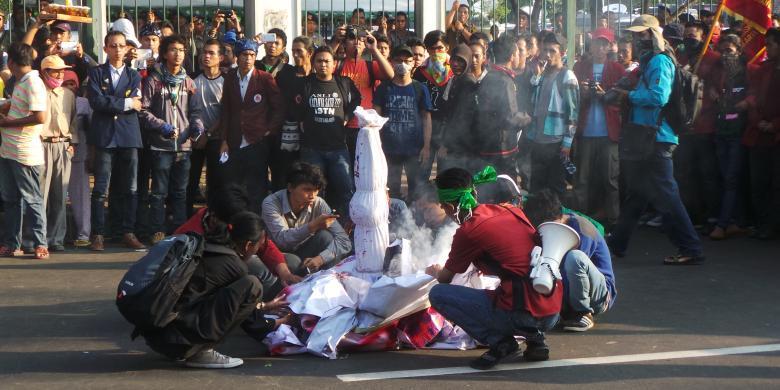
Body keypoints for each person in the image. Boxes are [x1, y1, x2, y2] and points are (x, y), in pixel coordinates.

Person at [426, 167, 560, 370]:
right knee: (513, 288)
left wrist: (435, 271)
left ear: (451, 207)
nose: (445, 212)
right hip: (552, 310)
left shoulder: (469, 230)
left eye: (444, 206)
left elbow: (445, 278)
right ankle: (535, 340)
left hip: (522, 312)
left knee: (438, 294)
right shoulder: (510, 209)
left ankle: (500, 342)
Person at [607, 15, 704, 265]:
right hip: (648, 135)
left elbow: (658, 96)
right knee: (638, 193)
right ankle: (617, 243)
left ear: (652, 34)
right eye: (636, 34)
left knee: (666, 194)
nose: (637, 39)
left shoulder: (660, 61)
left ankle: (691, 247)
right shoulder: (650, 61)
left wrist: (629, 96)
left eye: (642, 34)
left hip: (657, 137)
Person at [142, 211, 266, 369]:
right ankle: (201, 351)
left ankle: (187, 348)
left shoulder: (203, 245)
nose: (257, 251)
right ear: (248, 245)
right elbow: (246, 317)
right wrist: (272, 323)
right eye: (258, 246)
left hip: (155, 334)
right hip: (176, 340)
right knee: (253, 285)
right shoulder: (235, 266)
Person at [175, 184, 302, 300]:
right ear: (215, 218)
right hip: (206, 290)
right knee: (260, 274)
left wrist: (285, 274)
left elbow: (263, 244)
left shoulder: (234, 219)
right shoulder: (189, 237)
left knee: (292, 261)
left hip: (235, 262)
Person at [138, 35, 204, 244]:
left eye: (182, 50)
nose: (178, 54)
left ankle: (179, 232)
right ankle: (157, 230)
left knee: (180, 193)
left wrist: (197, 126)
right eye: (174, 50)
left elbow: (195, 111)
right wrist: (162, 126)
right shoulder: (154, 80)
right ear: (165, 53)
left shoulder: (189, 82)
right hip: (161, 146)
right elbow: (144, 110)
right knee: (158, 192)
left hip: (184, 147)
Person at [86, 31, 147, 251]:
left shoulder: (134, 75)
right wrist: (126, 103)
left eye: (122, 46)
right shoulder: (96, 73)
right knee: (101, 188)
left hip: (129, 136)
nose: (118, 50)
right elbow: (97, 102)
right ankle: (98, 234)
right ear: (106, 49)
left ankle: (127, 232)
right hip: (104, 136)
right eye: (113, 46)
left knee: (130, 187)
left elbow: (138, 102)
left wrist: (124, 102)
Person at [524, 190, 617, 332]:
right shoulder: (542, 230)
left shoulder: (582, 230)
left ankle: (582, 312)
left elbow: (572, 275)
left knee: (574, 258)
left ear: (559, 217)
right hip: (568, 289)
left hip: (599, 295)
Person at [218, 39, 285, 214]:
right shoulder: (230, 77)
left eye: (252, 55)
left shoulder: (264, 78)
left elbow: (278, 107)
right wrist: (224, 140)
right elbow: (226, 109)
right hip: (234, 140)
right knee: (235, 186)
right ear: (237, 57)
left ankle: (256, 225)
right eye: (244, 55)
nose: (248, 58)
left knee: (257, 187)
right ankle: (237, 223)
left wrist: (269, 129)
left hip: (257, 140)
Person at [295, 45, 360, 216]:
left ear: (334, 64)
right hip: (312, 149)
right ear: (313, 63)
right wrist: (301, 118)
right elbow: (296, 104)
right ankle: (315, 226)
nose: (323, 64)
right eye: (319, 61)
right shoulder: (305, 84)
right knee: (313, 192)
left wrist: (347, 115)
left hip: (338, 148)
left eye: (326, 61)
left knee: (347, 190)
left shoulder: (344, 83)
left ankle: (348, 226)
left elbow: (357, 99)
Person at [0, 43, 50, 259]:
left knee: (32, 199)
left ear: (11, 62)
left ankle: (41, 243)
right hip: (8, 151)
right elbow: (18, 105)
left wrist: (7, 123)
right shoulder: (22, 82)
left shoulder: (33, 82)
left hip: (25, 152)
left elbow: (40, 117)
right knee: (11, 200)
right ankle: (13, 244)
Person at [572, 28, 624, 226]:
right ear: (591, 45)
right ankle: (578, 219)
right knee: (581, 179)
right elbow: (572, 97)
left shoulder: (617, 69)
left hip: (609, 133)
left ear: (609, 46)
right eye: (597, 43)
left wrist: (605, 94)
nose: (600, 48)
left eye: (604, 44)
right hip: (585, 132)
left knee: (610, 180)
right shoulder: (579, 67)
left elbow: (623, 101)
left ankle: (613, 221)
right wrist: (582, 92)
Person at [262, 162, 352, 275]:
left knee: (325, 237)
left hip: (306, 253)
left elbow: (344, 242)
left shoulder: (318, 203)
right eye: (307, 190)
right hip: (278, 257)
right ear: (290, 187)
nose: (312, 195)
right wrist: (313, 226)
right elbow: (282, 240)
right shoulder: (271, 203)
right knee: (294, 262)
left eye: (316, 190)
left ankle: (329, 284)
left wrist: (320, 259)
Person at [674, 20, 721, 228]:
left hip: (705, 125)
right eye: (687, 36)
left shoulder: (713, 59)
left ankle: (711, 214)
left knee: (707, 173)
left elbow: (719, 90)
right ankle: (690, 214)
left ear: (704, 37)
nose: (689, 39)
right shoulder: (681, 59)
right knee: (685, 172)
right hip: (685, 127)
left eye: (693, 36)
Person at [374, 45, 433, 200]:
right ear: (391, 62)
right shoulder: (383, 88)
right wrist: (376, 144)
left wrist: (426, 146)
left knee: (416, 190)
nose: (403, 64)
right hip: (389, 149)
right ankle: (392, 221)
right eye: (399, 60)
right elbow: (375, 117)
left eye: (407, 60)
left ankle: (414, 222)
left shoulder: (419, 88)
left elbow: (426, 118)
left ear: (413, 63)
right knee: (390, 190)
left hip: (414, 149)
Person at [708, 34, 751, 240]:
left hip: (738, 131)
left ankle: (723, 224)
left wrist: (748, 102)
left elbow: (756, 94)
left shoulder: (747, 72)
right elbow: (708, 85)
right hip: (721, 128)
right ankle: (736, 221)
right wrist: (712, 92)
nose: (725, 55)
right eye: (722, 50)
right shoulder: (717, 71)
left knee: (731, 178)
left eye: (730, 51)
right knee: (726, 177)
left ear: (739, 51)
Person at [526, 33, 579, 197]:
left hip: (556, 142)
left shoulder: (567, 76)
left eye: (552, 51)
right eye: (545, 50)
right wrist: (536, 75)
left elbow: (573, 113)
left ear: (562, 53)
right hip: (538, 139)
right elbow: (533, 102)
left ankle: (557, 220)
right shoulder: (542, 75)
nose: (547, 55)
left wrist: (567, 144)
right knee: (536, 185)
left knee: (555, 186)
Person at [37, 55, 78, 252]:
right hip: (41, 144)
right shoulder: (37, 92)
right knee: (41, 195)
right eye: (56, 71)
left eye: (62, 70)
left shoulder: (68, 94)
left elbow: (74, 121)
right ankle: (38, 239)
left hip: (62, 145)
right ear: (44, 72)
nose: (60, 74)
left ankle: (57, 238)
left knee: (60, 196)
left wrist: (72, 143)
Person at [743, 28, 780, 240]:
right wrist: (758, 121)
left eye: (772, 44)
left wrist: (774, 125)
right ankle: (761, 223)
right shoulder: (764, 70)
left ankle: (773, 225)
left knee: (777, 184)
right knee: (758, 182)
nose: (768, 48)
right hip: (758, 134)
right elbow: (752, 96)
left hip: (776, 136)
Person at [187, 38, 225, 215]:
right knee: (189, 181)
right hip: (192, 139)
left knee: (215, 182)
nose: (206, 56)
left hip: (216, 139)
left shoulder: (226, 82)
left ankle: (213, 220)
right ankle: (185, 219)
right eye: (204, 52)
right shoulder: (191, 79)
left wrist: (208, 135)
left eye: (211, 53)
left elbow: (227, 114)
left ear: (221, 58)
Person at [414, 30, 454, 184]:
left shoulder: (455, 70)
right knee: (422, 172)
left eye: (440, 48)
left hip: (447, 128)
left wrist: (448, 140)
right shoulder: (420, 73)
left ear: (447, 48)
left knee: (445, 175)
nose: (436, 52)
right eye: (431, 49)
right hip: (426, 127)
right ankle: (420, 204)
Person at [438, 44, 479, 172]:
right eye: (454, 60)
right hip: (457, 143)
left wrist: (445, 144)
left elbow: (459, 117)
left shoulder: (467, 83)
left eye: (461, 61)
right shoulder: (456, 79)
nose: (456, 64)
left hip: (462, 145)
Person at [63, 70, 92, 248]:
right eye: (66, 83)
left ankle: (83, 233)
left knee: (80, 196)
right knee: (55, 197)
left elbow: (92, 129)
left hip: (80, 154)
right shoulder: (51, 100)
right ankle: (57, 235)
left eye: (72, 84)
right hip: (55, 153)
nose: (69, 87)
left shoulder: (84, 103)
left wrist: (92, 154)